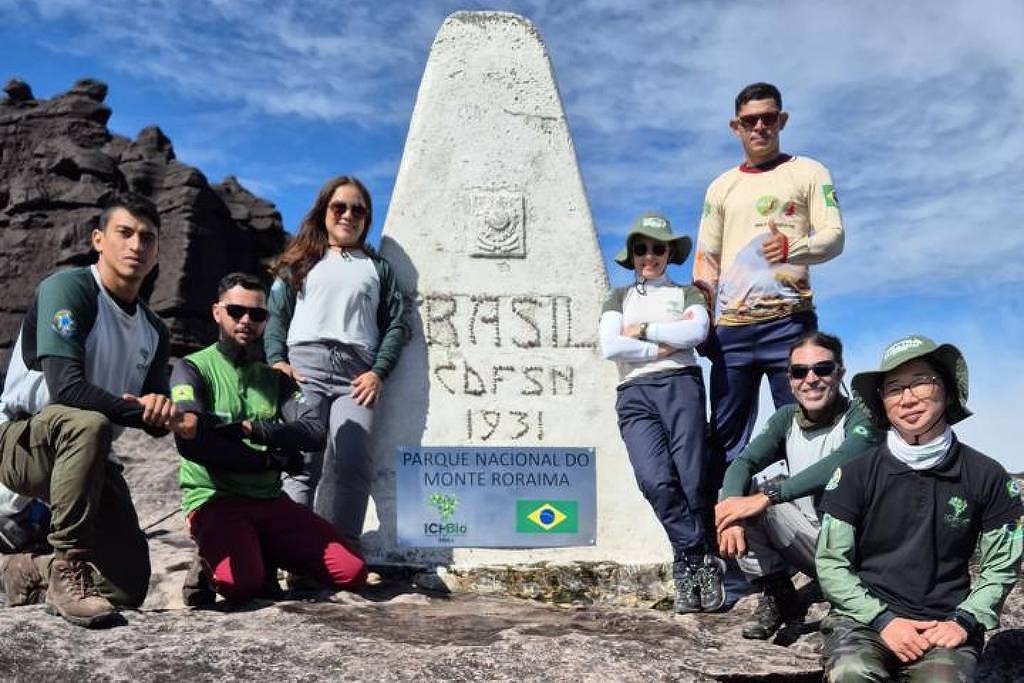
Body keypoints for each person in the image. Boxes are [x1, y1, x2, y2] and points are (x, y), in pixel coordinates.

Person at [0, 193, 181, 627]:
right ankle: (67, 569)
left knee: (126, 585)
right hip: (22, 442)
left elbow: (154, 416)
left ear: (157, 251)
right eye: (125, 233)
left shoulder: (154, 330)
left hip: (90, 456)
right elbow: (67, 388)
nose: (136, 245)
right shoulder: (70, 289)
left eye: (147, 237)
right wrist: (138, 412)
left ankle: (29, 569)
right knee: (88, 421)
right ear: (99, 239)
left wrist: (164, 412)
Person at [816, 335, 1023, 682]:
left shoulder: (987, 476)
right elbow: (831, 563)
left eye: (921, 383)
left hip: (945, 626)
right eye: (894, 389)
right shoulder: (854, 475)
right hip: (863, 622)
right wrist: (883, 620)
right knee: (852, 673)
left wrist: (965, 620)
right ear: (882, 402)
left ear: (948, 390)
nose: (908, 398)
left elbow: (1001, 565)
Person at [170, 272, 366, 604]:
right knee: (242, 586)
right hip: (215, 501)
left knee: (353, 572)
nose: (246, 320)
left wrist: (254, 429)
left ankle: (263, 551)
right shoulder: (191, 368)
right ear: (216, 312)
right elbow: (194, 445)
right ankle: (209, 563)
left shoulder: (275, 379)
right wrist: (269, 460)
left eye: (257, 314)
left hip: (270, 501)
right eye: (236, 311)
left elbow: (315, 432)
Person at [694, 82, 845, 472]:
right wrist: (704, 322)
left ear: (782, 120)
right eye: (750, 120)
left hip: (790, 325)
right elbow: (707, 260)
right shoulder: (721, 187)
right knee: (724, 436)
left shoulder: (809, 171)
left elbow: (834, 237)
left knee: (807, 428)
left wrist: (792, 248)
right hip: (732, 331)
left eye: (768, 118)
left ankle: (812, 507)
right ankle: (724, 507)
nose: (760, 126)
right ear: (736, 127)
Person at [264, 176, 406, 547]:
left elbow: (396, 324)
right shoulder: (298, 262)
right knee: (301, 463)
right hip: (304, 369)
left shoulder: (377, 268)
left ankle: (345, 551)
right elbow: (276, 316)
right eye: (339, 207)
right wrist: (277, 360)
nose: (348, 215)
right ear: (324, 210)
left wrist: (378, 372)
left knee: (353, 460)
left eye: (358, 210)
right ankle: (293, 552)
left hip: (356, 376)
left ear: (367, 218)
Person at [715, 331, 880, 639]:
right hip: (813, 542)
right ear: (790, 379)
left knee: (761, 498)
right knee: (738, 495)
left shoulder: (862, 416)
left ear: (840, 373)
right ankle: (778, 593)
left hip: (860, 552)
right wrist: (731, 515)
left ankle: (847, 598)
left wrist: (770, 495)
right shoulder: (786, 418)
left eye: (823, 369)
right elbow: (743, 463)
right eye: (800, 371)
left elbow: (841, 462)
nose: (811, 379)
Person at [599, 212, 723, 613]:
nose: (649, 256)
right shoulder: (618, 297)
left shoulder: (687, 294)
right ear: (632, 254)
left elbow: (696, 332)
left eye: (658, 248)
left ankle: (686, 568)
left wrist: (642, 331)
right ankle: (700, 552)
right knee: (654, 480)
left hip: (681, 384)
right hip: (634, 393)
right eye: (641, 249)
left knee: (691, 479)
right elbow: (610, 346)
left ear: (669, 253)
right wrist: (664, 344)